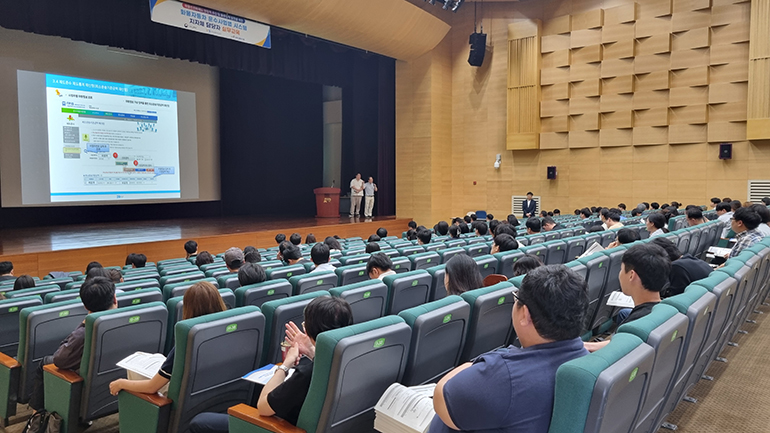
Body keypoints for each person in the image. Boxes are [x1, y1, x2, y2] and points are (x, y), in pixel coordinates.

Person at [429, 265, 589, 433]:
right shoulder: (585, 358)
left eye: (516, 298)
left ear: (525, 314)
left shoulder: (505, 376)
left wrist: (475, 364)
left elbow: (441, 399)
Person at [189, 297, 354, 432]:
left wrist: (286, 364)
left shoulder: (306, 375)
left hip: (279, 427)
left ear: (311, 331)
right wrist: (312, 351)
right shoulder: (349, 361)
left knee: (199, 422)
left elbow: (263, 407)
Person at [109, 281, 226, 398]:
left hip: (181, 395)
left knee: (134, 370)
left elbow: (151, 387)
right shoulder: (225, 332)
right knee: (155, 357)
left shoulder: (187, 342)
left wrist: (121, 383)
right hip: (212, 390)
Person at [29, 276, 118, 410]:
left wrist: (82, 324)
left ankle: (37, 414)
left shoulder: (83, 333)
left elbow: (60, 360)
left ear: (85, 306)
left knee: (46, 362)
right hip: (118, 375)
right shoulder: (128, 321)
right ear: (115, 299)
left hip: (86, 380)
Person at [584, 243, 671, 352]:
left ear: (631, 275)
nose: (620, 275)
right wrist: (586, 345)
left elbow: (613, 350)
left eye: (621, 269)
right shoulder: (663, 309)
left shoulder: (635, 324)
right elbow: (616, 343)